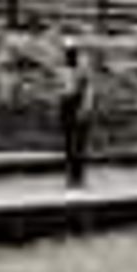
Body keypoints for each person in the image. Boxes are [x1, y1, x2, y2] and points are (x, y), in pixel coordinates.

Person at [59, 42, 93, 190]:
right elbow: (62, 91)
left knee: (79, 143)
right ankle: (71, 176)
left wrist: (84, 108)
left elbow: (87, 91)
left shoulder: (82, 72)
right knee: (69, 143)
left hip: (77, 104)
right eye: (68, 53)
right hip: (67, 104)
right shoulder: (63, 71)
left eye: (72, 53)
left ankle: (78, 176)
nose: (69, 56)